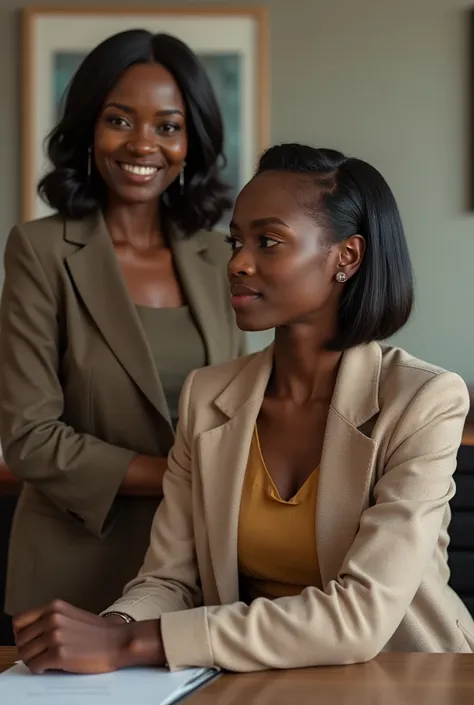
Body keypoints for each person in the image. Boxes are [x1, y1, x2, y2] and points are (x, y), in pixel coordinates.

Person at [12, 144, 474, 674]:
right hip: (252, 677)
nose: (237, 262)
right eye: (236, 240)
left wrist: (131, 645)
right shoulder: (206, 396)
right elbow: (169, 579)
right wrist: (112, 628)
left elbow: (361, 618)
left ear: (346, 256)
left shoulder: (424, 401)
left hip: (408, 677)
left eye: (268, 242)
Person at [0, 29, 245, 619]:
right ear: (89, 128)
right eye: (120, 119)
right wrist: (185, 478)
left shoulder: (221, 257)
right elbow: (30, 438)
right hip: (76, 572)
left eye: (168, 125)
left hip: (202, 572)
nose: (144, 144)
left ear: (192, 141)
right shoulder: (40, 250)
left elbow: (239, 410)